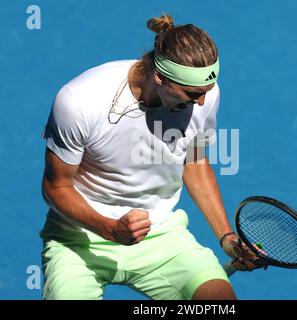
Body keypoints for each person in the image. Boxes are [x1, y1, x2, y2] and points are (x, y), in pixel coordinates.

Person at [40, 14, 264, 300]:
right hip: (79, 238)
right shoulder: (79, 101)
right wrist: (109, 229)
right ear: (160, 78)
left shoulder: (203, 97)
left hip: (161, 235)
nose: (202, 103)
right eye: (192, 93)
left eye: (207, 92)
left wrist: (227, 238)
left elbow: (193, 162)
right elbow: (55, 187)